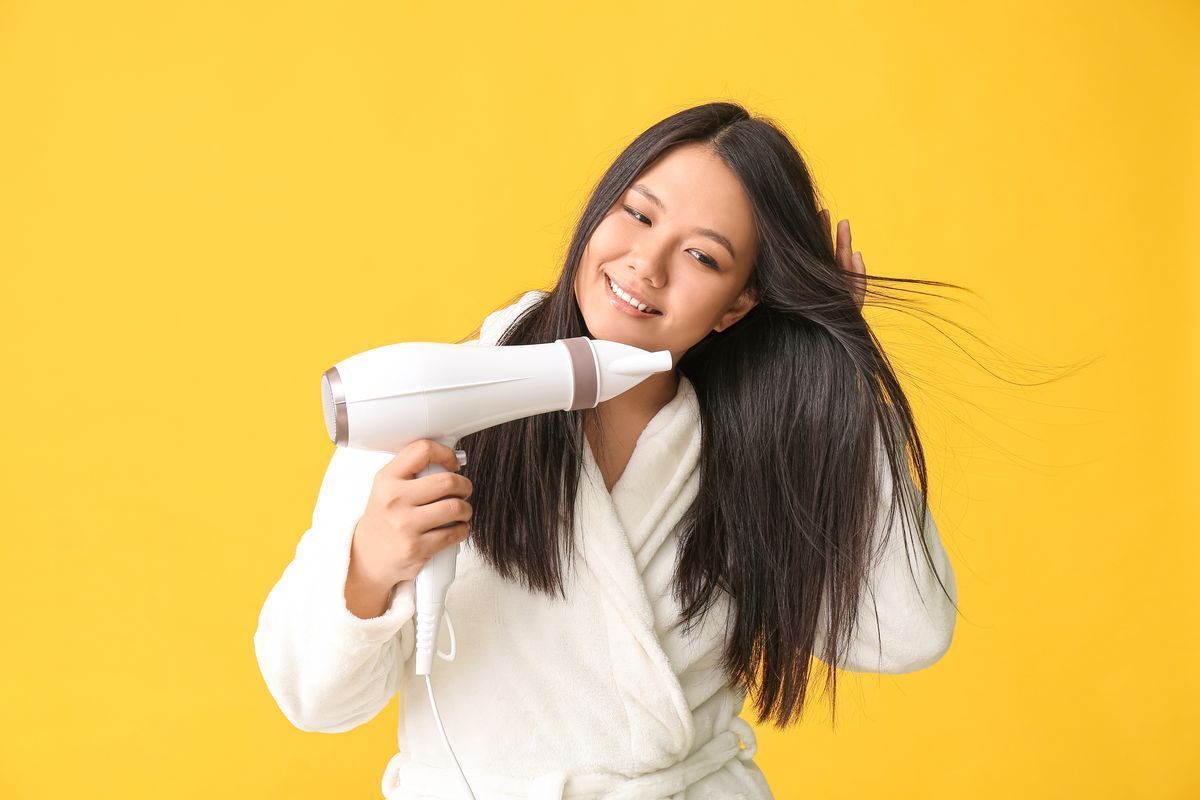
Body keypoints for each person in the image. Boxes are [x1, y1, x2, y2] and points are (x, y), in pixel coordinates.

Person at [254, 101, 959, 800]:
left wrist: (844, 382)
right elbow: (314, 700)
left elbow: (905, 633)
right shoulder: (431, 404)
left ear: (738, 305)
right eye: (638, 214)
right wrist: (371, 565)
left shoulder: (754, 451)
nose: (646, 264)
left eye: (702, 256)